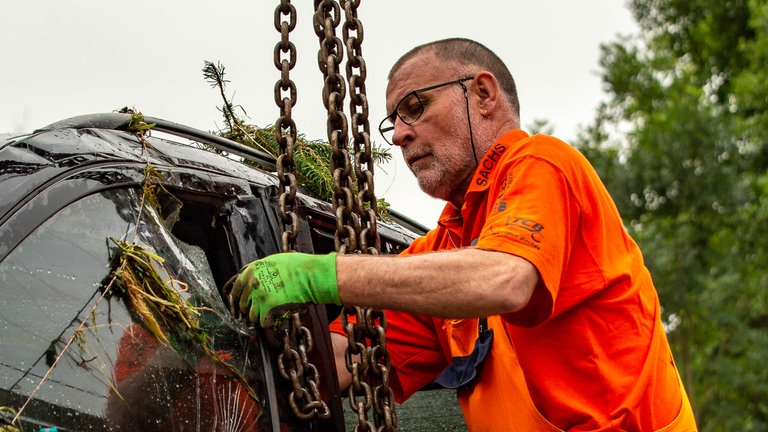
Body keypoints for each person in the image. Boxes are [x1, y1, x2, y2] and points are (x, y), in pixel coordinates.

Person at [231, 37, 697, 431]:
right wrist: (215, 355)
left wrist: (321, 275)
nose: (400, 135)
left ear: (484, 94)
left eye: (415, 107)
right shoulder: (444, 249)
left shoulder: (542, 163)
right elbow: (338, 360)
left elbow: (504, 279)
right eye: (394, 121)